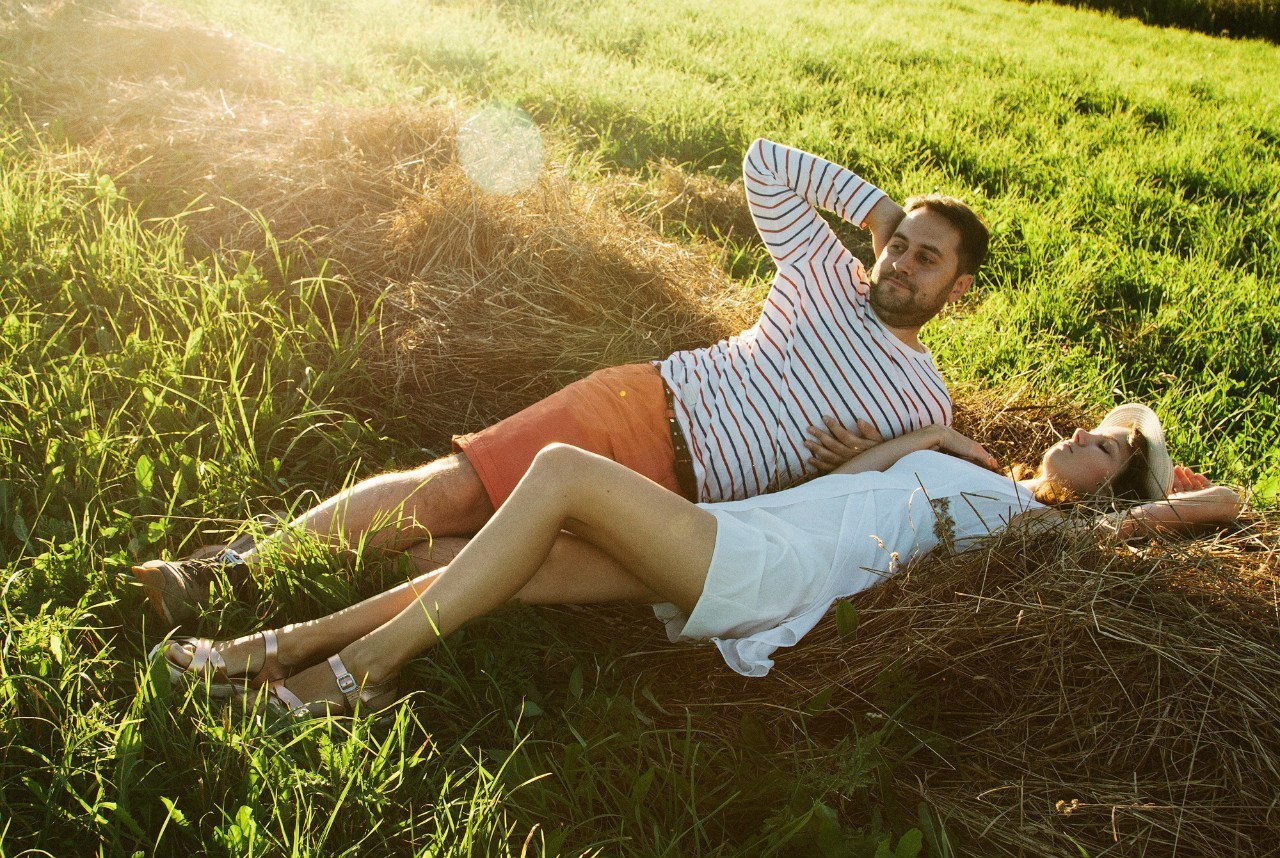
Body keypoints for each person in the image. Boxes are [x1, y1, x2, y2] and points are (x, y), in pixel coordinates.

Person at [135, 137, 991, 627]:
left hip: (686, 514)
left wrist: (883, 451)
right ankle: (231, 569)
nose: (899, 265)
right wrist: (881, 210)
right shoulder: (821, 269)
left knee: (466, 560)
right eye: (897, 245)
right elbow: (765, 163)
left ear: (959, 291)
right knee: (455, 494)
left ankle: (321, 576)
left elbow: (864, 505)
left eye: (926, 259)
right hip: (648, 412)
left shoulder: (921, 401)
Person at [152, 404, 1242, 714]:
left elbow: (1215, 506)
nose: (1084, 438)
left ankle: (358, 671)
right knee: (517, 564)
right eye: (1093, 426)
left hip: (777, 574)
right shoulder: (990, 481)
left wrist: (1191, 491)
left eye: (1107, 446)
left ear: (1117, 490)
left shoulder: (1052, 535)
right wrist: (928, 441)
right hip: (766, 537)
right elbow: (847, 474)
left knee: (568, 473)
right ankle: (270, 646)